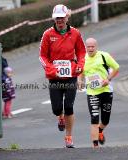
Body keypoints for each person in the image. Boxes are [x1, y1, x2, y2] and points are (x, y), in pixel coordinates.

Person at [39, 4, 86, 148]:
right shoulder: (48, 34)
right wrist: (50, 68)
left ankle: (69, 137)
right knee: (57, 108)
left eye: (61, 18)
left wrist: (80, 65)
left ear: (67, 17)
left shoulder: (75, 33)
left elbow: (81, 52)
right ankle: (60, 117)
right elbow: (42, 56)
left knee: (69, 106)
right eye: (56, 18)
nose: (59, 20)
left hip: (71, 74)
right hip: (55, 77)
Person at [78, 38, 119, 148]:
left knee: (105, 120)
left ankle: (100, 130)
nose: (90, 48)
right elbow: (80, 72)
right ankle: (95, 145)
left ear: (96, 47)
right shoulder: (82, 59)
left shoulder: (104, 56)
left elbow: (116, 68)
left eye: (93, 46)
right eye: (88, 46)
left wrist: (108, 79)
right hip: (92, 92)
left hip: (106, 91)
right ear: (85, 47)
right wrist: (80, 81)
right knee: (94, 117)